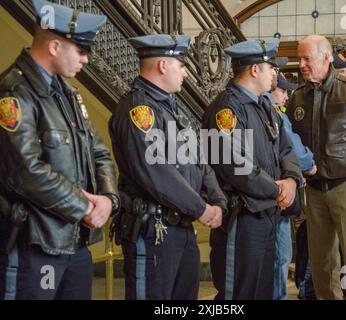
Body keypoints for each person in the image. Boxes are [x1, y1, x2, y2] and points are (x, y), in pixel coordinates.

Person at [0, 0, 119, 300]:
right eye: (81, 51)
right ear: (54, 46)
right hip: (35, 244)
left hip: (74, 242)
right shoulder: (14, 94)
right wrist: (84, 208)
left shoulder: (68, 95)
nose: (87, 60)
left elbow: (99, 152)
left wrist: (107, 198)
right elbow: (26, 172)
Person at [109, 34, 227, 300]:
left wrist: (217, 199)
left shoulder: (171, 108)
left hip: (181, 227)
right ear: (163, 65)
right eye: (182, 65)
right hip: (154, 230)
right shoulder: (139, 110)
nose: (185, 73)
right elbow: (157, 174)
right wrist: (201, 208)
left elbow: (198, 159)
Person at [202, 38, 302, 300]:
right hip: (242, 217)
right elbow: (233, 164)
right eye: (272, 67)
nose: (275, 74)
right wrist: (275, 189)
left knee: (263, 290)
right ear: (254, 70)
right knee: (240, 293)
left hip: (267, 211)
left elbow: (286, 149)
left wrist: (291, 180)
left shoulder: (264, 105)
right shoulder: (226, 109)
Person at [287, 35, 346, 300]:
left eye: (307, 58)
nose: (301, 64)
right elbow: (289, 143)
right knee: (322, 262)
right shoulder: (297, 97)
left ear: (327, 57)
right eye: (299, 59)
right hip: (315, 191)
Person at [264, 71, 317, 300]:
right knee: (280, 256)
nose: (286, 96)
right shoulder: (273, 111)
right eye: (283, 90)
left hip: (273, 192)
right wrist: (310, 163)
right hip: (276, 195)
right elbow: (293, 147)